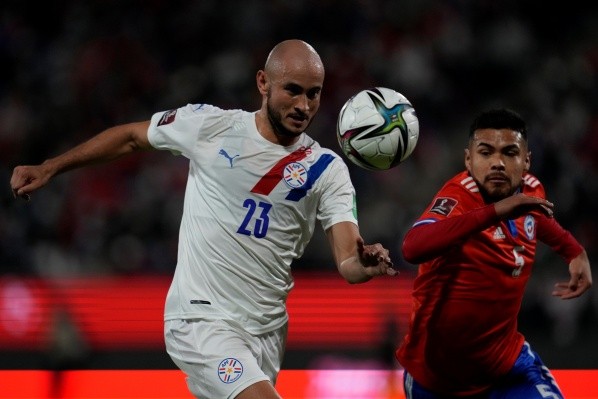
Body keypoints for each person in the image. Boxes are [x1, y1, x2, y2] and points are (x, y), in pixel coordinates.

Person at [10, 39, 397, 399]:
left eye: (313, 94)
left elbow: (347, 261)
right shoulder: (211, 126)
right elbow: (131, 137)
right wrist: (51, 167)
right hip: (199, 319)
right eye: (292, 90)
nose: (304, 105)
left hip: (266, 331)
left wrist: (362, 264)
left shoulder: (326, 169)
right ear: (263, 83)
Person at [396, 108, 592, 398]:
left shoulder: (531, 190)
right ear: (468, 159)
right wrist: (498, 211)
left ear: (526, 160)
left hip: (507, 368)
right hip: (437, 379)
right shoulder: (457, 198)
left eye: (509, 153)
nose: (497, 163)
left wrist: (575, 252)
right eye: (486, 153)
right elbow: (412, 247)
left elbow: (540, 220)